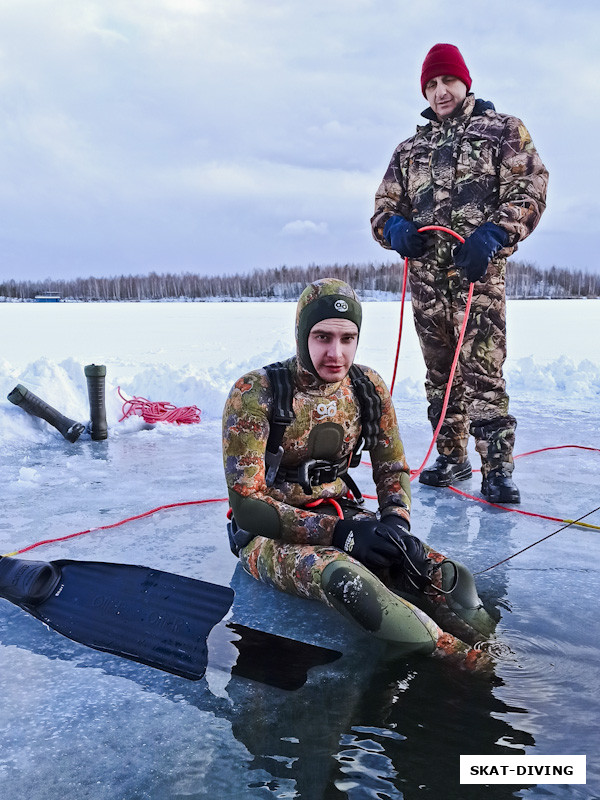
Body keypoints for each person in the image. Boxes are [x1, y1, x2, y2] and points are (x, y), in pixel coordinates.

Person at [222, 278, 496, 668]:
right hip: (266, 532)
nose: (336, 352)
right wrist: (341, 535)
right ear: (302, 335)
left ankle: (499, 653)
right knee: (350, 583)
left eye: (347, 338)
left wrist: (396, 524)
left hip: (342, 513)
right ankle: (464, 664)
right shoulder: (256, 393)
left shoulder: (366, 386)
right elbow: (247, 506)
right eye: (322, 337)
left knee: (449, 577)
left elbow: (392, 469)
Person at [371, 43, 548, 503]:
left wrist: (494, 234)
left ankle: (497, 468)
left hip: (477, 281)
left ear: (464, 81)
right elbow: (383, 209)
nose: (439, 91)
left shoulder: (502, 130)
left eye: (447, 80)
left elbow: (529, 188)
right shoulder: (409, 149)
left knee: (482, 373)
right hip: (428, 286)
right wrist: (395, 229)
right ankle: (451, 457)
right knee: (440, 375)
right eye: (430, 84)